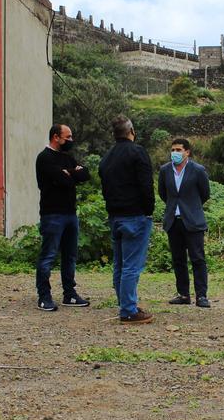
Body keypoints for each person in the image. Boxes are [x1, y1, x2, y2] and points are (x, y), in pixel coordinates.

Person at [98, 116, 156, 324]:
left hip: (115, 216)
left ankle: (125, 304)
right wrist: (149, 210)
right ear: (131, 130)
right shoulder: (137, 152)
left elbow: (105, 188)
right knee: (132, 265)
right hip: (136, 216)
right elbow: (146, 185)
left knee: (119, 264)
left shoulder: (106, 158)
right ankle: (129, 310)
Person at [34, 124, 91, 311]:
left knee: (70, 256)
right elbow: (62, 180)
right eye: (68, 137)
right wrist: (70, 174)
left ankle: (70, 294)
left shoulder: (67, 157)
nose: (71, 140)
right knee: (48, 256)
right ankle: (44, 296)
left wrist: (71, 173)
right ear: (56, 137)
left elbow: (85, 174)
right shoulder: (44, 158)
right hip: (52, 214)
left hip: (70, 214)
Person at [158, 138, 211, 307]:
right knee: (178, 259)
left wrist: (191, 207)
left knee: (197, 258)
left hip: (193, 221)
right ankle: (183, 294)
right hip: (173, 221)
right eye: (173, 149)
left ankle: (201, 295)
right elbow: (163, 193)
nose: (175, 153)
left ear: (187, 152)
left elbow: (205, 193)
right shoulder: (165, 170)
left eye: (179, 149)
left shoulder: (198, 170)